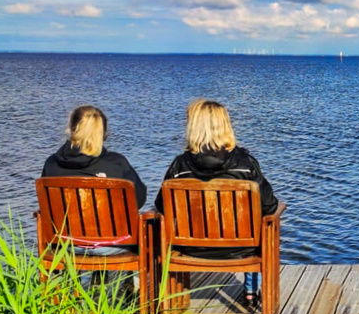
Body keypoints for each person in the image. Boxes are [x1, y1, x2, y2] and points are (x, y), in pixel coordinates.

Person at [155, 100, 278, 296]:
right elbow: (270, 206)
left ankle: (170, 296)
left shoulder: (179, 166)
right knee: (263, 222)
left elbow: (161, 207)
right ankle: (251, 292)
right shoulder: (245, 164)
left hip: (190, 248)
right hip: (241, 249)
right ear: (226, 125)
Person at [42, 105, 147, 208]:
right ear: (104, 134)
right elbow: (138, 200)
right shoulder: (116, 163)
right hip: (108, 225)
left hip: (64, 225)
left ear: (72, 131)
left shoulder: (51, 164)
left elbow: (45, 203)